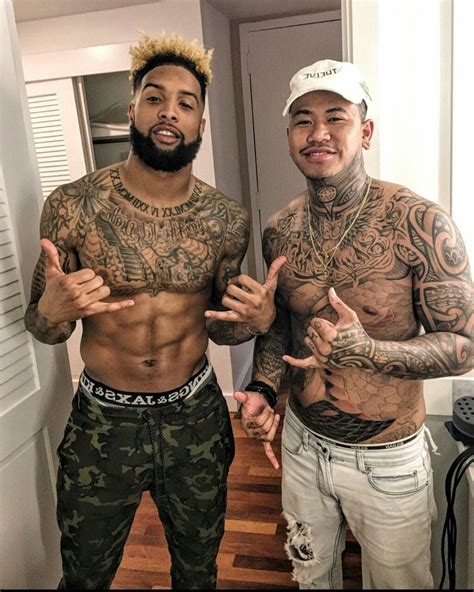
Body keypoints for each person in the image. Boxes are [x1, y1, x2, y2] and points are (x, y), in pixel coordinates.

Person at [24, 33, 285, 590]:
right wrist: (51, 308)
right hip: (103, 422)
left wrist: (258, 320)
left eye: (185, 103)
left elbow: (222, 326)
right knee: (85, 575)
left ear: (200, 124)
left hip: (195, 419)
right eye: (154, 97)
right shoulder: (72, 206)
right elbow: (44, 330)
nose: (169, 111)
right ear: (132, 110)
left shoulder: (225, 219)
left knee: (197, 572)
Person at [234, 58, 473, 589]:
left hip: (387, 459)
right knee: (310, 577)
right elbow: (282, 327)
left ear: (365, 132)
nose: (317, 133)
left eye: (335, 117)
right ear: (289, 137)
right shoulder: (279, 230)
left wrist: (369, 351)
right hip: (302, 444)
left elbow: (466, 345)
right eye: (302, 120)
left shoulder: (418, 222)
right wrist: (263, 389)